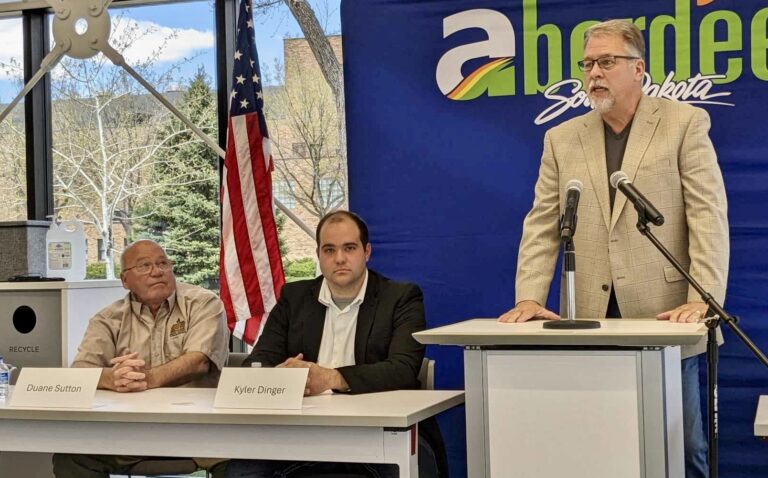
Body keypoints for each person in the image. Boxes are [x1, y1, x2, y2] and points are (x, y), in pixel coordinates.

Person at [498, 19, 729, 478]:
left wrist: (701, 298)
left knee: (683, 447)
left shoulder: (683, 123)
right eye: (588, 64)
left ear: (638, 68)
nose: (594, 74)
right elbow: (544, 224)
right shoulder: (561, 138)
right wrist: (529, 296)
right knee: (597, 444)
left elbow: (707, 216)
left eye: (606, 62)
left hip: (666, 316)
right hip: (589, 313)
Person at [225, 210, 447, 478]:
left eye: (349, 248)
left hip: (379, 429)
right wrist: (281, 377)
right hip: (299, 432)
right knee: (241, 471)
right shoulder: (293, 298)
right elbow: (256, 364)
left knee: (410, 468)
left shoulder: (400, 298)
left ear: (367, 252)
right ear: (318, 255)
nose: (339, 258)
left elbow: (403, 369)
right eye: (329, 250)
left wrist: (331, 378)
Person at [52, 239, 230, 478]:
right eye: (144, 266)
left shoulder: (203, 303)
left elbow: (199, 361)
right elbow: (82, 371)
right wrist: (113, 378)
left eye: (163, 263)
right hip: (128, 430)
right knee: (72, 456)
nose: (157, 271)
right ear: (125, 281)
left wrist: (147, 378)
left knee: (243, 460)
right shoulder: (108, 318)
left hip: (198, 430)